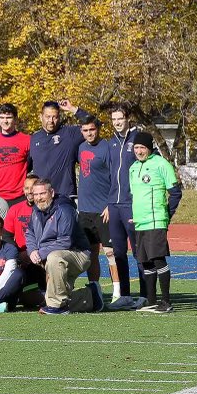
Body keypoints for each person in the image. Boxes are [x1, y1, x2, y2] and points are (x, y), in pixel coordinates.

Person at [25, 178, 104, 315]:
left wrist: (40, 253)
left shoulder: (65, 209)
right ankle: (90, 296)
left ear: (52, 192)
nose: (39, 198)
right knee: (46, 300)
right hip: (52, 256)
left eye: (42, 194)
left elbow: (65, 242)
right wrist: (32, 251)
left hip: (77, 254)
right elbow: (29, 233)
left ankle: (57, 307)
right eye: (36, 194)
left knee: (54, 258)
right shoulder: (36, 211)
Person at [129, 131, 183, 313]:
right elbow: (137, 196)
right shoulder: (133, 168)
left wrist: (166, 214)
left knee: (157, 259)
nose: (139, 151)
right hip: (140, 222)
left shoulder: (161, 164)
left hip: (156, 221)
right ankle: (151, 301)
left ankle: (166, 302)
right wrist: (135, 214)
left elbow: (175, 193)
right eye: (136, 147)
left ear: (149, 148)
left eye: (142, 147)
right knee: (145, 262)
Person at [77, 118, 127, 309]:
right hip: (84, 210)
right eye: (85, 130)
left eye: (92, 129)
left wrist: (110, 204)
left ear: (98, 129)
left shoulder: (107, 147)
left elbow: (117, 178)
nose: (89, 133)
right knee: (91, 254)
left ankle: (117, 292)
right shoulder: (80, 148)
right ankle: (95, 289)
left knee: (110, 252)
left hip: (103, 210)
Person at [105, 102, 145, 305]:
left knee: (139, 251)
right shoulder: (111, 142)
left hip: (132, 204)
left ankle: (146, 295)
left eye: (120, 118)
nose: (117, 122)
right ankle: (126, 295)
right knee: (118, 252)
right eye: (114, 119)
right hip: (114, 204)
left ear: (127, 118)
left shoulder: (137, 139)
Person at [30, 100, 93, 201]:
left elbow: (93, 124)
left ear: (59, 117)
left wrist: (72, 109)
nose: (51, 120)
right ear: (40, 117)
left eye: (54, 117)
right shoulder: (34, 138)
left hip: (65, 197)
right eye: (47, 117)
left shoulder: (69, 134)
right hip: (40, 197)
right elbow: (26, 168)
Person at [3, 174, 45, 309]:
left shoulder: (48, 209)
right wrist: (19, 254)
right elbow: (6, 236)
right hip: (24, 260)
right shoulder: (15, 209)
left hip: (44, 257)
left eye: (32, 188)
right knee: (28, 299)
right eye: (26, 188)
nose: (29, 191)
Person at [0, 103, 31, 204]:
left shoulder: (27, 140)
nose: (5, 121)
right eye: (2, 117)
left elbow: (31, 164)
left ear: (15, 119)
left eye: (9, 117)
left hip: (20, 195)